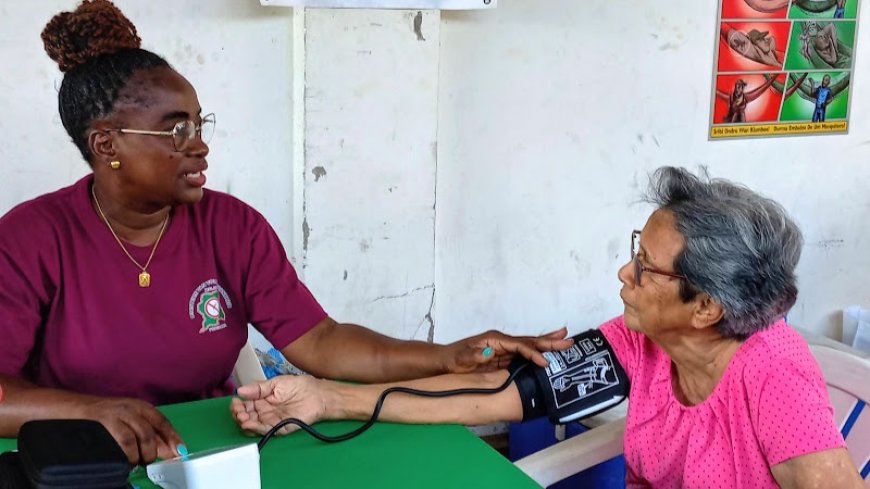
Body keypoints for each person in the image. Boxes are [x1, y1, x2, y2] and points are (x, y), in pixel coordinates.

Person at [0, 0, 572, 465]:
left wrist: (445, 357)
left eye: (199, 124)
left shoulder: (232, 226)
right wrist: (86, 412)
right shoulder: (31, 238)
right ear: (107, 146)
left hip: (206, 454)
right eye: (174, 130)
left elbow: (320, 342)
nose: (198, 143)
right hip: (75, 458)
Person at [234, 167, 866, 489]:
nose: (625, 272)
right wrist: (326, 398)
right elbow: (498, 395)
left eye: (645, 266)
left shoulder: (773, 373)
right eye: (633, 250)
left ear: (706, 307)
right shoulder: (638, 342)